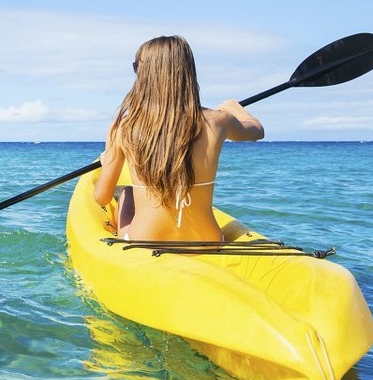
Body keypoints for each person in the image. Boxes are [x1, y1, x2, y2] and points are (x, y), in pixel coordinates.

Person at [93, 35, 265, 242]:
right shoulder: (219, 121)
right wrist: (237, 110)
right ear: (188, 72)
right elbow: (256, 131)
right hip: (209, 241)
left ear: (144, 74)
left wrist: (107, 162)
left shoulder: (123, 127)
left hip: (144, 241)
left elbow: (102, 197)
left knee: (128, 194)